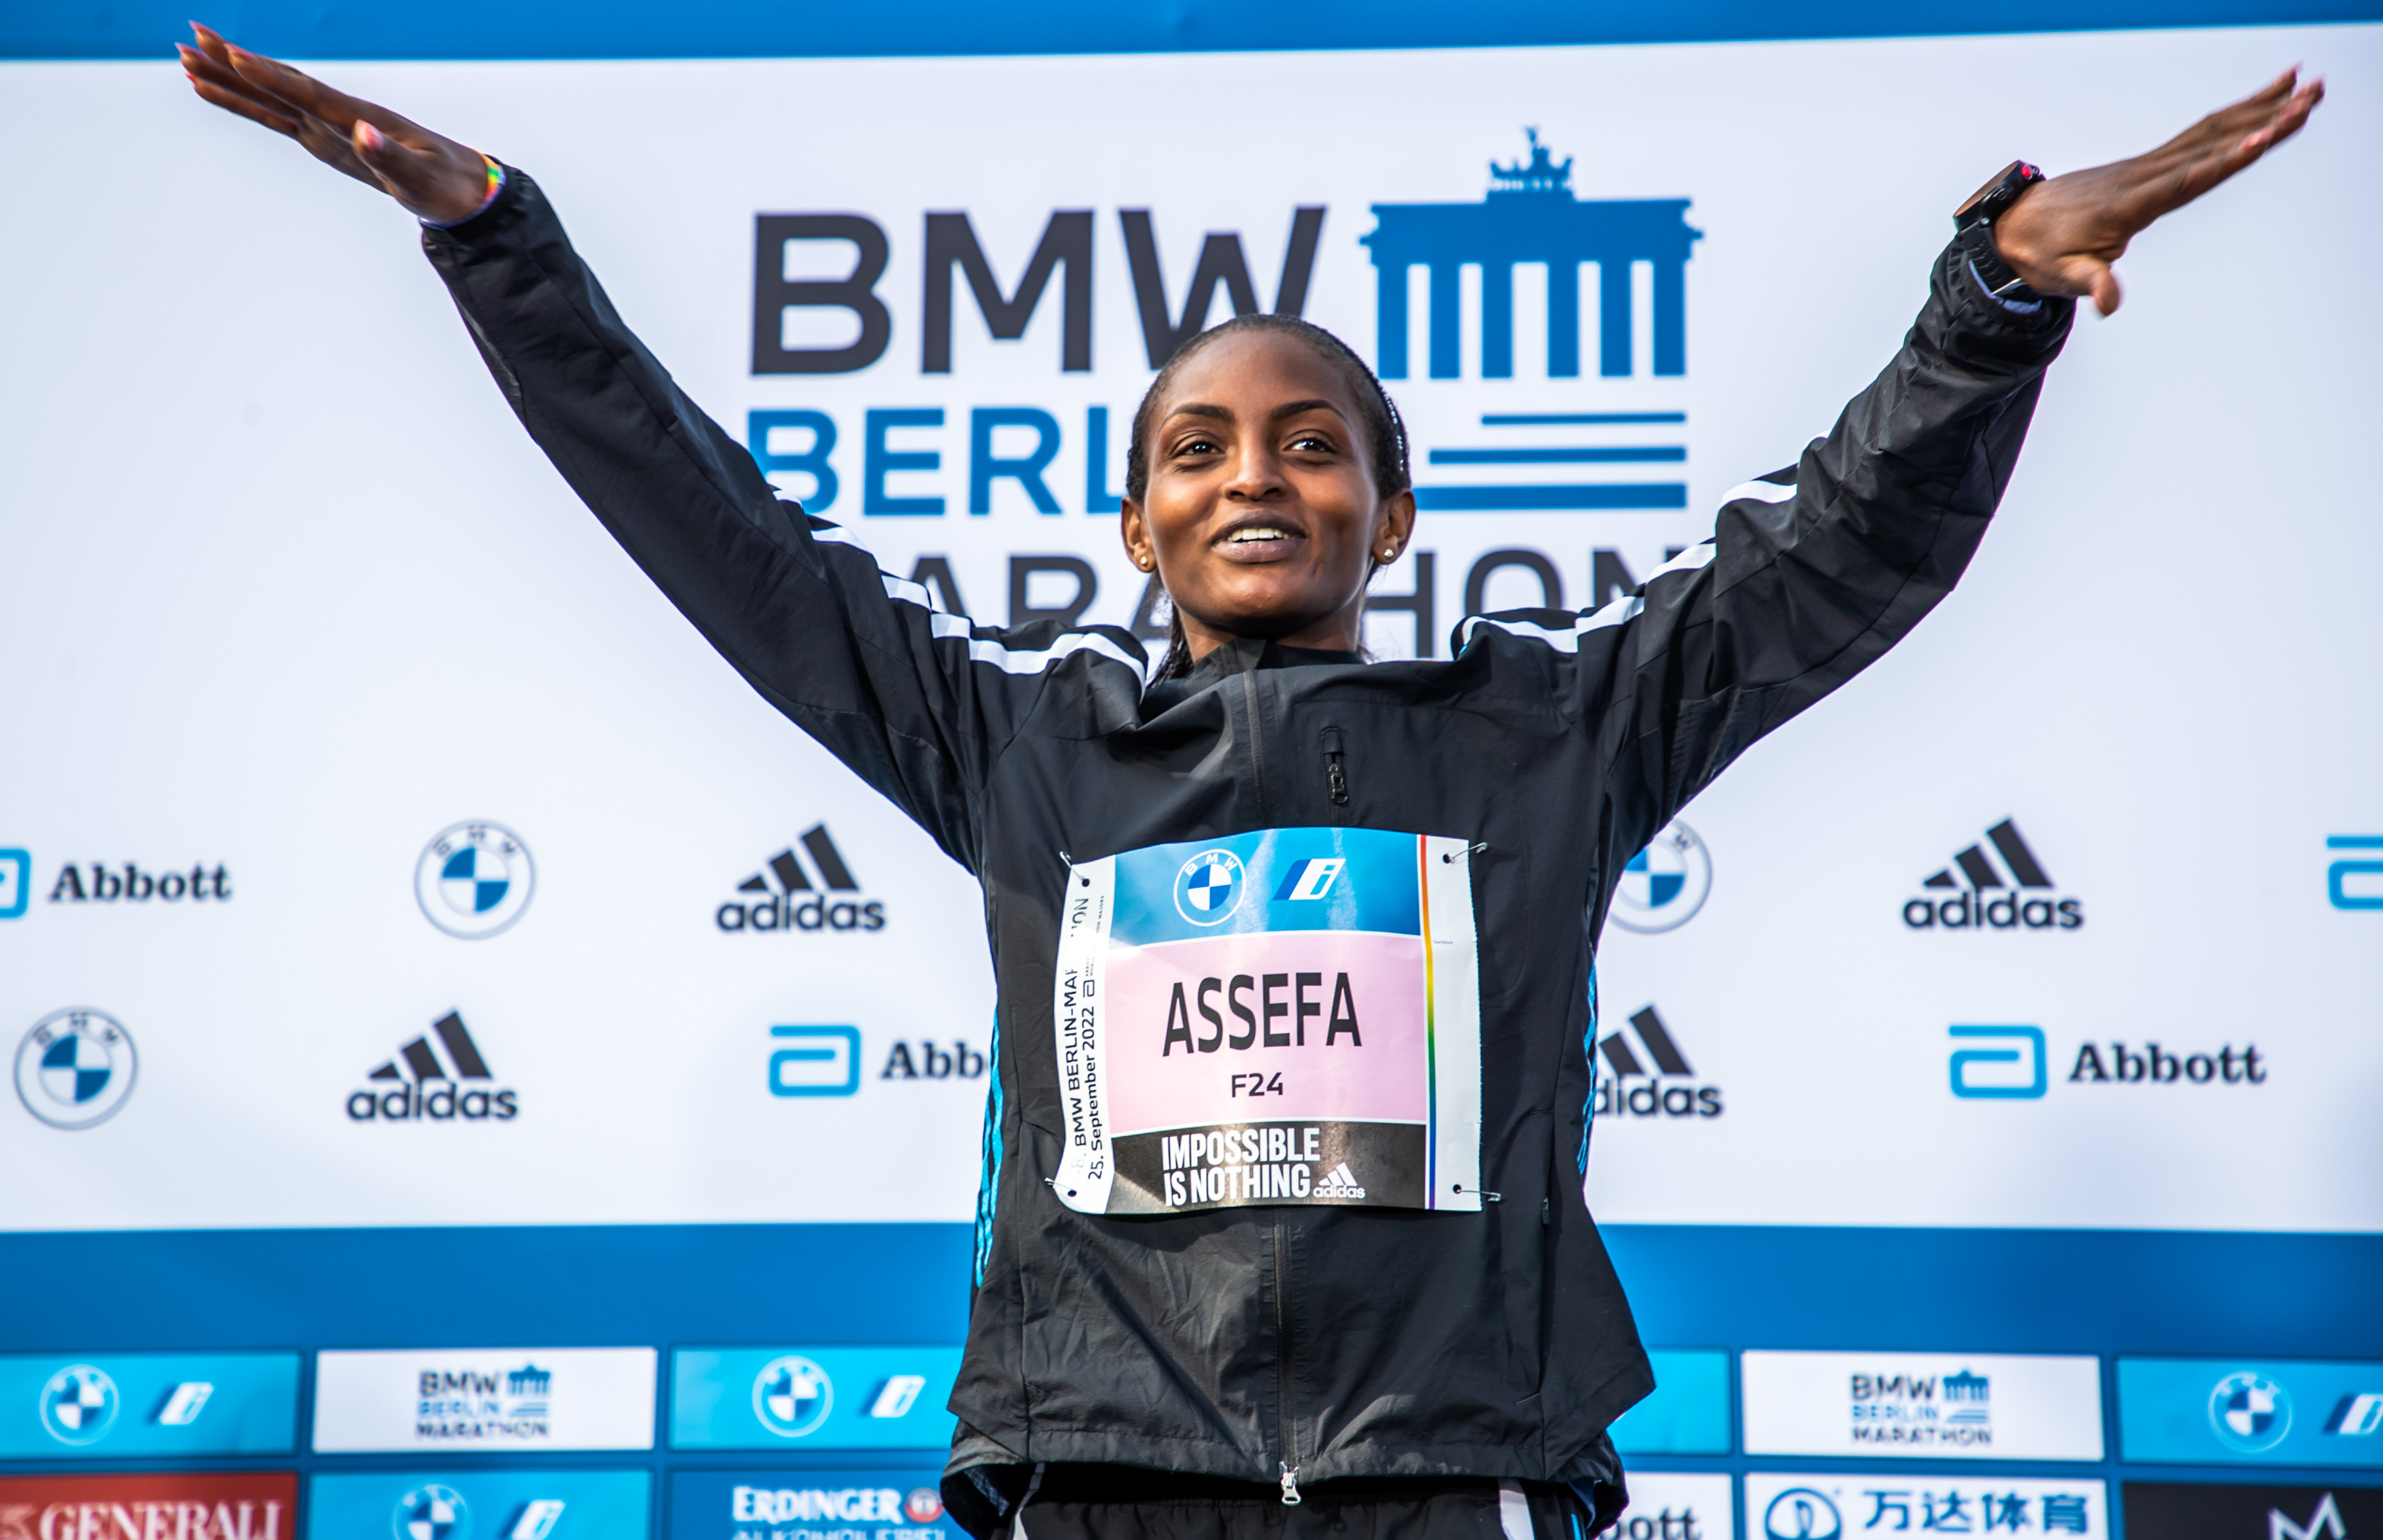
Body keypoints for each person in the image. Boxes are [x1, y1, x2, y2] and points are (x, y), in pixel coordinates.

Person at [182, 30, 2317, 1540]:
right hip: (1094, 1463)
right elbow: (720, 532)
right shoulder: (1021, 751)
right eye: (1200, 445)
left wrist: (1996, 298)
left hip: (1447, 1470)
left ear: (1392, 510)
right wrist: (496, 239)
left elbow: (1834, 549)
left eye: (1311, 442)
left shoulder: (1552, 732)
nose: (1257, 471)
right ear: (1135, 525)